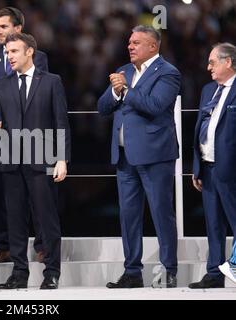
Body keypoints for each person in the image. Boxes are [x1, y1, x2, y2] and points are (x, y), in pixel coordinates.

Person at [0, 33, 70, 289]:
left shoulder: (52, 82)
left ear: (29, 52)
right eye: (7, 52)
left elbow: (61, 122)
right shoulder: (2, 83)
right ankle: (19, 274)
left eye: (14, 52)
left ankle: (51, 272)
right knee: (15, 220)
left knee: (46, 218)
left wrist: (62, 159)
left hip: (42, 160)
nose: (9, 57)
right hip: (10, 160)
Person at [97, 25, 181, 288]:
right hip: (124, 156)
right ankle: (132, 271)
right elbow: (102, 107)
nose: (130, 46)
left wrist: (126, 91)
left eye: (136, 43)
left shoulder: (168, 73)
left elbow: (156, 106)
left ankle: (169, 269)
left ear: (153, 47)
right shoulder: (125, 71)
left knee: (161, 212)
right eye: (129, 42)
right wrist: (114, 91)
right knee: (128, 215)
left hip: (155, 155)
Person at [0, 7, 48, 264]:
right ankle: (3, 246)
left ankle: (43, 246)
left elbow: (38, 94)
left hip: (30, 136)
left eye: (4, 27)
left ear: (19, 28)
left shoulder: (37, 57)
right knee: (0, 194)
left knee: (36, 194)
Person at [189, 43, 236, 288]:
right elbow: (199, 129)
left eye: (213, 62)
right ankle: (214, 274)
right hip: (208, 167)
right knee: (213, 223)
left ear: (228, 62)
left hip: (231, 168)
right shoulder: (208, 90)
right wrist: (196, 166)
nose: (208, 67)